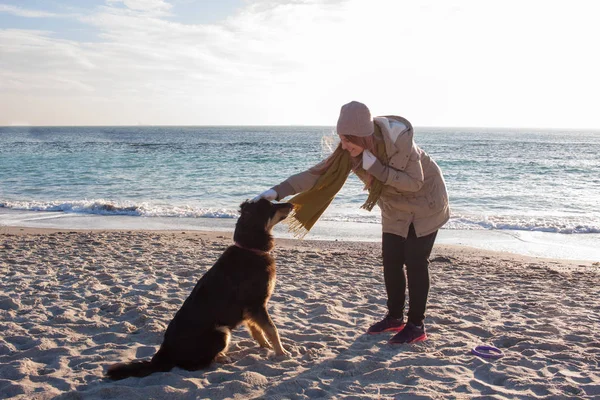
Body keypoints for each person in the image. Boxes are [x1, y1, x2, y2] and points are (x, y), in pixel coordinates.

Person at [254, 101, 450, 344]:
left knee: (415, 262)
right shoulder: (349, 153)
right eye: (342, 139)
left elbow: (414, 183)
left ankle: (416, 325)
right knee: (391, 262)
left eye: (348, 140)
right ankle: (395, 318)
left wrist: (377, 168)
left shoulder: (400, 142)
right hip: (394, 208)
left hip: (426, 203)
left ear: (364, 136)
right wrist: (275, 192)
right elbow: (315, 176)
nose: (344, 146)